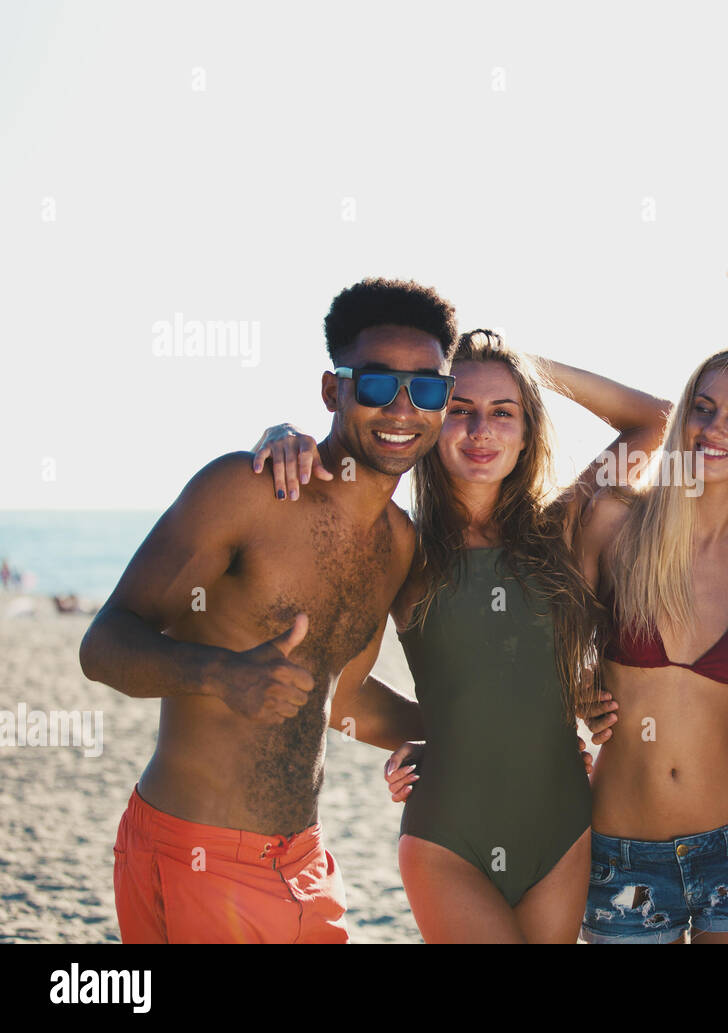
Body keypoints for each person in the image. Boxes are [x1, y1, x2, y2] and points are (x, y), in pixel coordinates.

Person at [79, 277, 459, 943]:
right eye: (376, 383)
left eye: (425, 387)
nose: (402, 407)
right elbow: (104, 645)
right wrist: (219, 674)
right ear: (332, 390)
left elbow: (342, 699)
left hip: (306, 862)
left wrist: (483, 739)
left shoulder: (400, 544)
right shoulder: (248, 490)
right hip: (198, 856)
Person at [257, 330, 668, 942]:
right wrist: (282, 436)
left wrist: (528, 367)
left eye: (504, 412)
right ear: (429, 425)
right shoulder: (401, 545)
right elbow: (342, 697)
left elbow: (653, 420)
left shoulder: (565, 527)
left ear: (528, 431)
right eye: (459, 410)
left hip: (563, 831)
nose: (482, 430)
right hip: (448, 837)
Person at [567, 346, 728, 943]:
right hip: (620, 852)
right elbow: (547, 644)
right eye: (703, 408)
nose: (713, 428)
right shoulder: (617, 521)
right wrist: (577, 686)